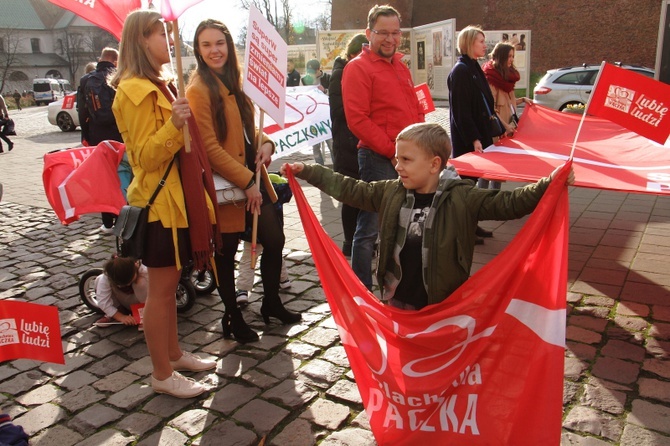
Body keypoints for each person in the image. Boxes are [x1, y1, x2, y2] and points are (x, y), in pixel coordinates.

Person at [282, 122, 574, 309]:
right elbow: (351, 189)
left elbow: (510, 203)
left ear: (435, 164)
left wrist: (550, 183)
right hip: (395, 298)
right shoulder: (390, 191)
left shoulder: (463, 196)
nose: (398, 166)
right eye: (397, 158)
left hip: (442, 302)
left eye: (406, 160)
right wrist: (310, 171)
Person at [111, 9, 219, 399]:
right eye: (159, 34)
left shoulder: (159, 84)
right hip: (159, 207)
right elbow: (143, 157)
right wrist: (173, 126)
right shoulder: (134, 90)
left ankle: (173, 354)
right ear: (141, 40)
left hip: (174, 203)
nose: (167, 41)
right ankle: (161, 373)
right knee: (160, 292)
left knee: (171, 285)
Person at [186, 19, 301, 341]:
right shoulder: (197, 89)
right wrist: (246, 182)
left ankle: (271, 303)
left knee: (274, 241)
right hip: (227, 186)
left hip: (254, 178)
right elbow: (208, 147)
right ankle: (232, 317)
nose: (214, 50)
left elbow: (247, 132)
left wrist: (266, 142)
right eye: (206, 45)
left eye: (219, 43)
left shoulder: (238, 82)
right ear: (197, 50)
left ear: (229, 45)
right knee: (227, 253)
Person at [342, 4, 424, 290]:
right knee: (369, 229)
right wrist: (393, 152)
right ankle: (361, 290)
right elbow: (357, 120)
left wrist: (423, 142)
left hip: (408, 158)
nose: (390, 39)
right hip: (379, 158)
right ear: (369, 33)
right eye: (383, 33)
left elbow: (414, 108)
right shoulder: (358, 68)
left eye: (395, 32)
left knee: (403, 224)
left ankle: (394, 282)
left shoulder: (400, 67)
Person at [448, 25, 497, 241]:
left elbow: (485, 103)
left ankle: (471, 224)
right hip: (468, 140)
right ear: (469, 43)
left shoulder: (474, 67)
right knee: (465, 187)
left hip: (479, 136)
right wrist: (474, 138)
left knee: (472, 185)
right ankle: (462, 229)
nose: (485, 45)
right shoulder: (461, 71)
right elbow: (462, 111)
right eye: (480, 41)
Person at [78, 47, 125, 234]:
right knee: (123, 175)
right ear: (115, 61)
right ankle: (126, 217)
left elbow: (82, 111)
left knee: (104, 178)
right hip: (120, 134)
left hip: (98, 136)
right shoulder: (119, 77)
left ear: (101, 59)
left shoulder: (86, 80)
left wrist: (86, 136)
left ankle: (107, 222)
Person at [329, 33, 367, 257]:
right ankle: (349, 241)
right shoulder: (339, 75)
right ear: (353, 53)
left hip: (359, 142)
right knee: (351, 198)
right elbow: (337, 113)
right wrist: (360, 107)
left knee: (362, 196)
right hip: (347, 144)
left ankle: (359, 241)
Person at [479, 42, 533, 191]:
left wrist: (522, 100)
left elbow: (508, 102)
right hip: (496, 130)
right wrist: (505, 125)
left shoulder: (507, 78)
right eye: (509, 56)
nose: (511, 60)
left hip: (506, 131)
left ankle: (493, 199)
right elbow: (491, 108)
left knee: (499, 170)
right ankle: (481, 198)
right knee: (488, 168)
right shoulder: (492, 78)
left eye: (513, 56)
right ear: (501, 56)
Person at [236, 173, 293, 305]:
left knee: (251, 259)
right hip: (266, 233)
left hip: (254, 234)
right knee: (274, 255)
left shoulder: (253, 188)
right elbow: (287, 192)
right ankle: (283, 279)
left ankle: (243, 289)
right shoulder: (276, 187)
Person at [94, 256, 147, 329]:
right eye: (123, 285)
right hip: (123, 301)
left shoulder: (144, 269)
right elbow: (103, 302)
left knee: (141, 282)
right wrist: (121, 317)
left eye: (130, 282)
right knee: (99, 279)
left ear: (135, 265)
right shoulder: (106, 277)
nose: (128, 285)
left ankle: (145, 315)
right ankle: (117, 312)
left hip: (144, 300)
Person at [302, 58, 332, 165]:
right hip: (313, 119)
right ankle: (320, 169)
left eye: (313, 72)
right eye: (308, 72)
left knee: (332, 146)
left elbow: (334, 94)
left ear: (319, 69)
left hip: (326, 118)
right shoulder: (304, 80)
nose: (310, 74)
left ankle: (336, 170)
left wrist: (325, 91)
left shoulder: (328, 78)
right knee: (315, 148)